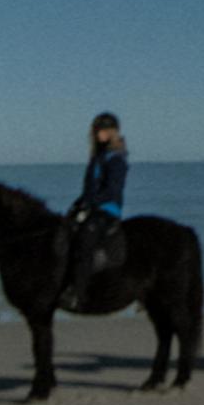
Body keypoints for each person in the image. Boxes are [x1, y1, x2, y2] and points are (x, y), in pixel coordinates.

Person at [64, 111, 128, 290]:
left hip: (108, 209)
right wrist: (78, 204)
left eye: (103, 130)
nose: (99, 133)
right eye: (97, 130)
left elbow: (112, 190)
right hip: (92, 206)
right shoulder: (97, 158)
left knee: (86, 237)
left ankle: (80, 290)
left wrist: (91, 203)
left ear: (112, 132)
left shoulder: (116, 159)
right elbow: (89, 189)